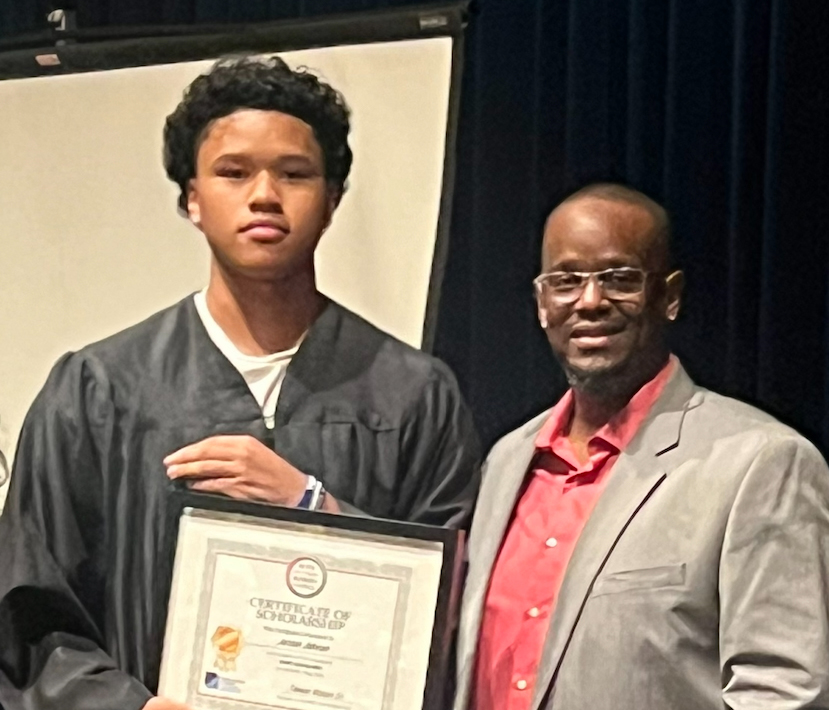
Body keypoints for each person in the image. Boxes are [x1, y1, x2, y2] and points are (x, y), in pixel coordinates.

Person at [0, 56, 480, 710]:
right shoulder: (98, 393)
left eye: (294, 173)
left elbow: (452, 605)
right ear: (191, 199)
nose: (264, 195)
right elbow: (31, 621)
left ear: (333, 200)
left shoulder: (411, 395)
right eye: (233, 172)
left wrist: (313, 505)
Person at [453, 183, 829, 710]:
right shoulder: (506, 460)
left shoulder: (761, 462)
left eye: (619, 278)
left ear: (668, 296)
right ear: (541, 304)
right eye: (566, 281)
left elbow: (783, 692)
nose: (590, 302)